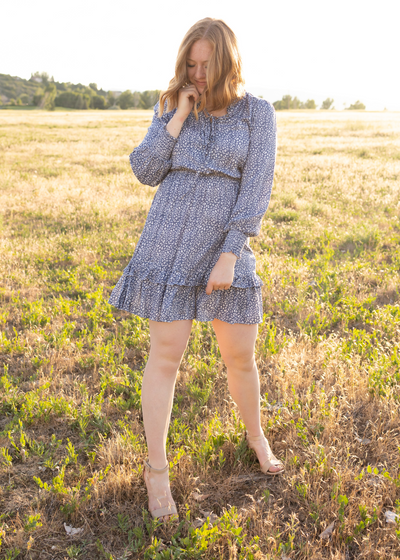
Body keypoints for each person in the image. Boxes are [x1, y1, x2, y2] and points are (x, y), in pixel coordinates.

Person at [108, 17, 284, 522]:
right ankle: (156, 471)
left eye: (207, 64)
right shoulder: (169, 105)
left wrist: (231, 252)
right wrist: (180, 114)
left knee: (241, 357)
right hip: (168, 240)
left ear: (227, 61)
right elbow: (145, 170)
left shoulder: (257, 114)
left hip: (223, 246)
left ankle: (257, 436)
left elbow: (257, 188)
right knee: (165, 357)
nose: (199, 73)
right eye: (191, 63)